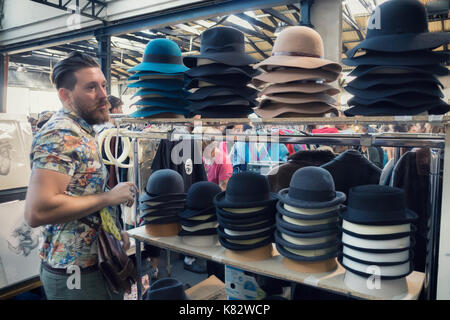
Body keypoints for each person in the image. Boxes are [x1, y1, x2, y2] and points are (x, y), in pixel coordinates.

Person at [24, 52, 137, 300]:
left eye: (103, 85)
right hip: (76, 276)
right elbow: (37, 211)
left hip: (96, 265)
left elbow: (82, 199)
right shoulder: (61, 134)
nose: (103, 95)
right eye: (91, 88)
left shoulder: (83, 131)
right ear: (65, 95)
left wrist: (115, 233)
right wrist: (110, 197)